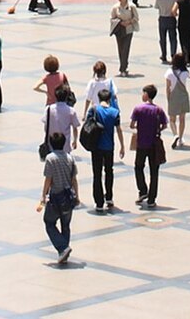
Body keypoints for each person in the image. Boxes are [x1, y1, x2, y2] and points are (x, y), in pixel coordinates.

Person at [36, 132, 79, 264]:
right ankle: (63, 252)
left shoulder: (50, 158)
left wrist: (43, 195)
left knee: (49, 222)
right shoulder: (70, 158)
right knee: (65, 225)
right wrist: (77, 196)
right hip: (68, 196)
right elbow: (74, 179)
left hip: (56, 196)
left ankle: (62, 248)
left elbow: (48, 179)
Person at [129, 85, 169, 208]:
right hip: (154, 144)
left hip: (142, 143)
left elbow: (132, 125)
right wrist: (157, 129)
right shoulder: (159, 110)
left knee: (138, 167)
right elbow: (165, 125)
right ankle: (152, 199)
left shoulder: (138, 109)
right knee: (154, 171)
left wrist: (140, 127)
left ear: (146, 94)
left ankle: (143, 190)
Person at [86, 87, 124, 212]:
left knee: (97, 174)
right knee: (109, 171)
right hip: (109, 147)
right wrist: (122, 146)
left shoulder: (94, 110)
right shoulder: (115, 112)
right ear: (109, 99)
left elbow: (88, 124)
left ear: (99, 98)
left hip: (96, 146)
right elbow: (119, 129)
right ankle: (109, 197)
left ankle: (99, 202)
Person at [164, 52, 190, 148]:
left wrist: (168, 98)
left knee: (172, 119)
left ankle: (175, 135)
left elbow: (168, 88)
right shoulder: (185, 72)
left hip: (173, 96)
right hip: (183, 96)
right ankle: (180, 138)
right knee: (182, 119)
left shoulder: (169, 72)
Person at [109, 0, 140, 77]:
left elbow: (136, 18)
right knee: (120, 49)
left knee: (126, 49)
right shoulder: (115, 7)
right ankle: (123, 65)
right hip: (119, 30)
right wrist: (120, 22)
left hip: (128, 30)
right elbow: (111, 18)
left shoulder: (132, 6)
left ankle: (123, 68)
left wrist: (129, 22)